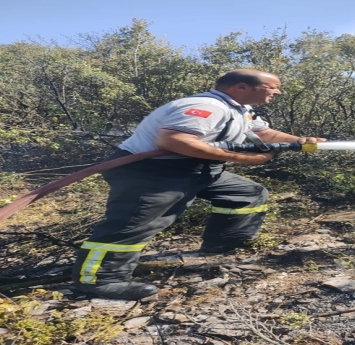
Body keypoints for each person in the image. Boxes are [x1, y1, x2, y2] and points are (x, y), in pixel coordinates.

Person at [72, 69, 326, 300]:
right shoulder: (206, 106)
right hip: (152, 173)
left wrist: (300, 140)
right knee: (134, 223)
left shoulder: (240, 109)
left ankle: (225, 243)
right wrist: (243, 158)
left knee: (247, 193)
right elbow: (174, 140)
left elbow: (262, 133)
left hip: (196, 169)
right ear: (242, 87)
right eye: (273, 87)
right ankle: (100, 280)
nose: (277, 92)